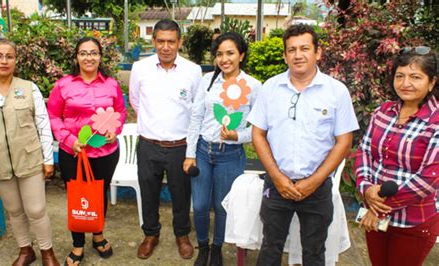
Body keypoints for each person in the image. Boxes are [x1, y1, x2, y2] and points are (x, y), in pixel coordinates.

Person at [247, 24, 359, 265]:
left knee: (314, 252)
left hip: (317, 189)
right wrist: (277, 177)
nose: (298, 55)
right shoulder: (270, 88)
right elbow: (258, 134)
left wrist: (314, 181)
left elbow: (344, 141)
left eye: (305, 48)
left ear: (318, 53)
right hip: (277, 185)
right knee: (270, 248)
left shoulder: (336, 91)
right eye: (292, 50)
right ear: (285, 55)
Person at [0, 39, 59, 265]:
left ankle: (47, 252)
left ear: (16, 60)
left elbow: (43, 125)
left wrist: (48, 159)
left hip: (29, 159)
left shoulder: (29, 88)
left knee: (36, 210)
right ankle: (26, 250)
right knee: (15, 210)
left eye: (9, 56)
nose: (4, 61)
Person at [183, 31, 261, 266]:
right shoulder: (207, 81)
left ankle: (217, 248)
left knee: (222, 205)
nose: (224, 59)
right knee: (199, 205)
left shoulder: (254, 86)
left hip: (230, 155)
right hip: (203, 152)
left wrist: (238, 135)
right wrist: (189, 154)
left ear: (241, 55)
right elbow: (196, 118)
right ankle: (203, 247)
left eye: (230, 53)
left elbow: (260, 129)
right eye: (219, 54)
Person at [355, 46, 438, 266]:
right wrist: (366, 188)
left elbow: (429, 178)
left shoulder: (436, 122)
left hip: (413, 221)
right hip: (375, 216)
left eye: (415, 77)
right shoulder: (383, 111)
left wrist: (379, 208)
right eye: (399, 76)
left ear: (431, 82)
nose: (405, 83)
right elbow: (365, 152)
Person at [47, 37, 126, 266]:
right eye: (83, 53)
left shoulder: (111, 84)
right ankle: (77, 244)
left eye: (93, 53)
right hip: (73, 154)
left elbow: (120, 113)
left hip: (106, 153)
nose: (88, 57)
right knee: (77, 198)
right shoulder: (64, 85)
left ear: (100, 56)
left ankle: (98, 234)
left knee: (99, 195)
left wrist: (115, 130)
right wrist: (69, 140)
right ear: (76, 57)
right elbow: (53, 116)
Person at [129, 19, 202, 260]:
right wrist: (153, 125)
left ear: (179, 42)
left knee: (181, 194)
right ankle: (151, 234)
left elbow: (196, 109)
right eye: (160, 41)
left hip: (180, 146)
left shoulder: (193, 71)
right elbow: (135, 101)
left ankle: (182, 235)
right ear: (153, 41)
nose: (166, 47)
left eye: (171, 41)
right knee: (149, 192)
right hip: (149, 145)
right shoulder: (140, 68)